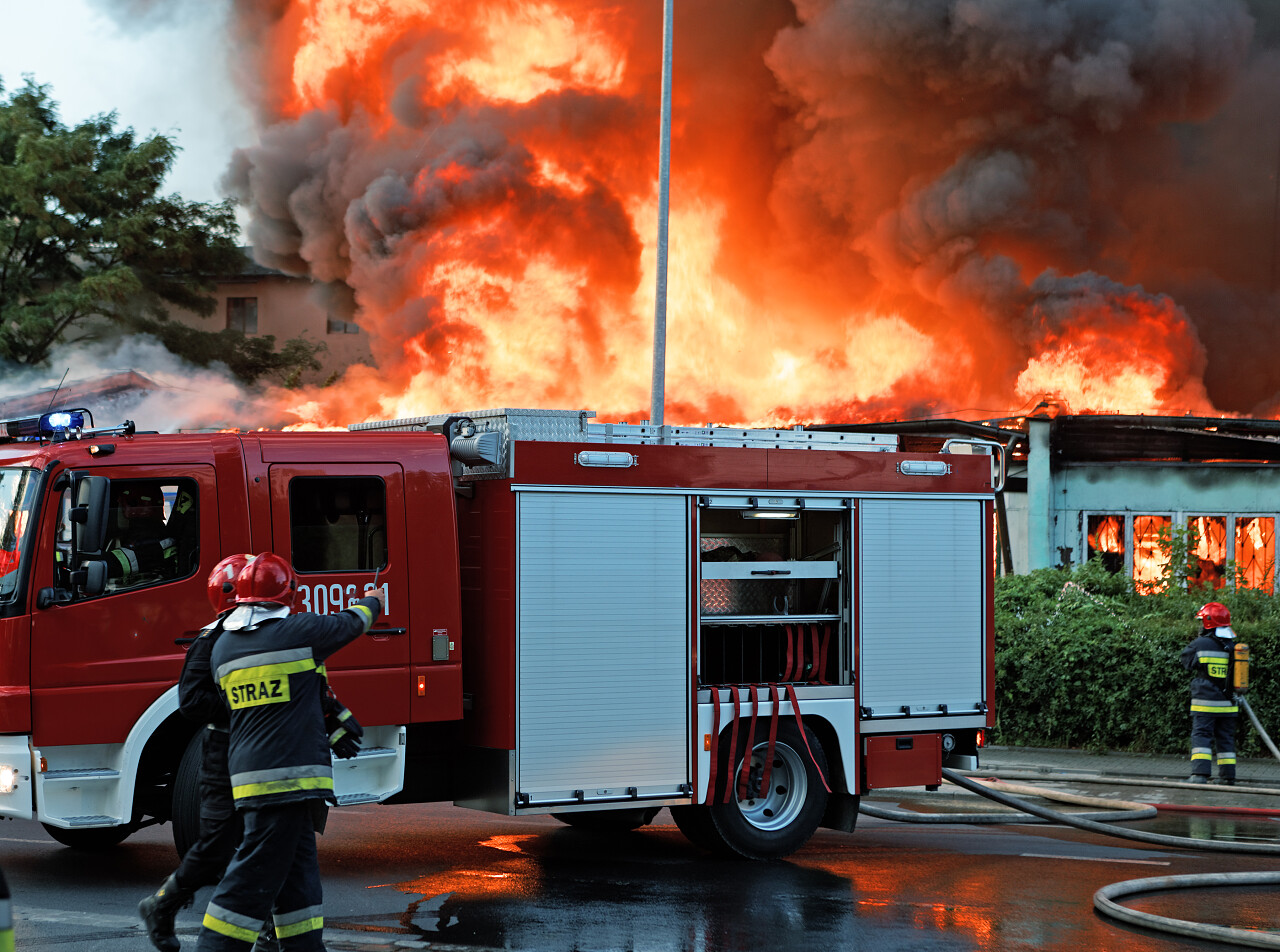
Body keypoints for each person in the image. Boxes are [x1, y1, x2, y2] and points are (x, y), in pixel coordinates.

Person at [139, 555, 365, 952]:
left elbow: (307, 684)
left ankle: (283, 938)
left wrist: (334, 719)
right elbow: (192, 702)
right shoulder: (214, 641)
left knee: (284, 854)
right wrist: (252, 707)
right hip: (227, 757)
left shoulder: (264, 634)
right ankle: (165, 906)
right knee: (222, 849)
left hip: (267, 756)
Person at [196, 553, 383, 952]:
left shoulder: (222, 648)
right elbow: (352, 622)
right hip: (287, 781)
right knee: (249, 880)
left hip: (256, 781)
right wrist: (374, 599)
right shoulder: (299, 632)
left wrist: (330, 715)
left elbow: (287, 699)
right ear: (288, 594)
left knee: (299, 883)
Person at [1180, 601, 1238, 785]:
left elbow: (1186, 662)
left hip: (1205, 703)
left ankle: (1199, 775)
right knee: (1225, 739)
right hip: (1229, 704)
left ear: (1208, 622)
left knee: (1202, 736)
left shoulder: (1200, 643)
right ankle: (1227, 777)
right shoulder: (1233, 646)